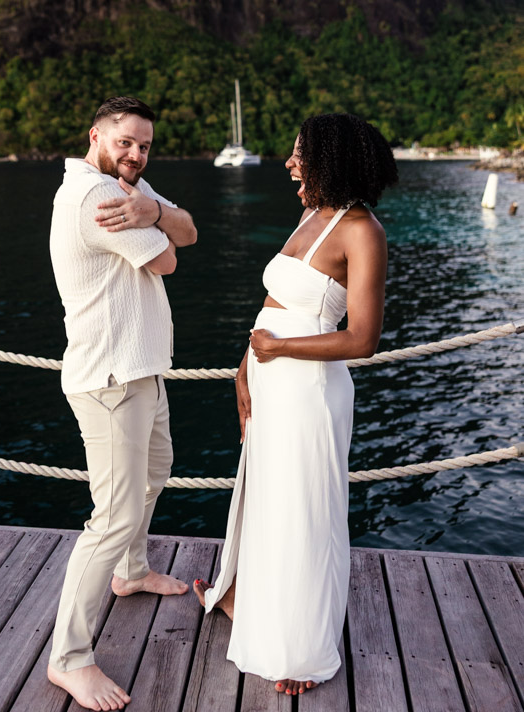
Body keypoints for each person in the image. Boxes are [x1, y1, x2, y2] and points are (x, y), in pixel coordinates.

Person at [194, 112, 398, 696]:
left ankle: (300, 647)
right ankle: (244, 597)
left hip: (310, 389)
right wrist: (245, 367)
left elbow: (361, 338)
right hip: (270, 377)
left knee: (303, 509)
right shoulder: (312, 214)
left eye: (299, 154)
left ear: (332, 160)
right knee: (267, 497)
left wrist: (279, 349)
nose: (289, 163)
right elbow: (276, 301)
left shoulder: (363, 232)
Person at [47, 96, 197, 711]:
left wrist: (156, 208)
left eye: (145, 145)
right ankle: (69, 658)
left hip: (141, 371)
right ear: (96, 137)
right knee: (110, 516)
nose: (135, 153)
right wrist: (158, 215)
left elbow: (187, 227)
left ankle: (131, 572)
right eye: (125, 142)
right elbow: (170, 256)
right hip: (110, 379)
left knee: (155, 473)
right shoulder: (98, 197)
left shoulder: (128, 187)